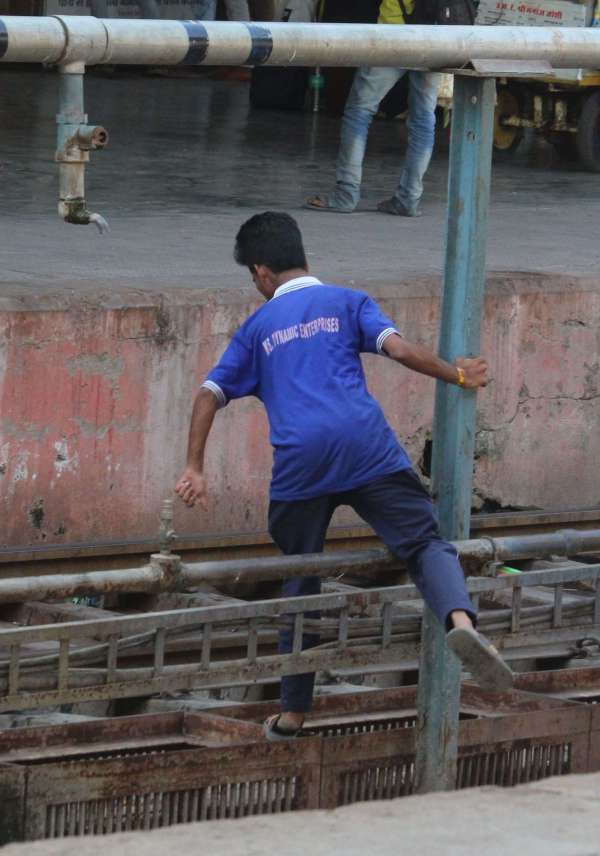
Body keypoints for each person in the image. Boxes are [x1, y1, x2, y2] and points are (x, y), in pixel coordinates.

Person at [175, 211, 513, 740]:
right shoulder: (347, 301)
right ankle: (461, 623)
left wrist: (194, 466)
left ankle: (292, 712)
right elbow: (398, 350)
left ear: (261, 273)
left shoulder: (256, 329)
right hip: (365, 448)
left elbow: (208, 396)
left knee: (301, 576)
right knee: (425, 542)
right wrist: (460, 374)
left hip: (301, 462)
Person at [306, 0, 441, 216]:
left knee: (359, 112)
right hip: (438, 37)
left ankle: (346, 195)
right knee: (424, 120)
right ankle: (408, 198)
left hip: (394, 34)